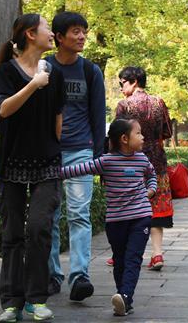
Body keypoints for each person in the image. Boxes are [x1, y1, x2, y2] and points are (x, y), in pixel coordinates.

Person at [0, 14, 66, 322]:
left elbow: (58, 123)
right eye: (48, 28)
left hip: (47, 165)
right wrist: (34, 85)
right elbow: (4, 110)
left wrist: (50, 148)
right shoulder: (7, 72)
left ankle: (36, 299)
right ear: (31, 34)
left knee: (38, 228)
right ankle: (11, 302)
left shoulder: (56, 74)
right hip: (11, 164)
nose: (53, 33)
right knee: (12, 234)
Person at [60, 119, 156, 317]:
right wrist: (53, 173)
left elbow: (152, 174)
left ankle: (125, 296)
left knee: (133, 259)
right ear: (124, 139)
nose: (143, 137)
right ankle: (123, 300)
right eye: (138, 133)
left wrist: (151, 189)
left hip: (141, 217)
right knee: (119, 260)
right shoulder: (106, 161)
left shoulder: (142, 159)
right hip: (116, 221)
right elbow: (79, 169)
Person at [45, 11, 106, 302]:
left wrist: (98, 158)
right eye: (75, 31)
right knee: (50, 215)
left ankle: (80, 276)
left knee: (79, 214)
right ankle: (51, 275)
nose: (82, 36)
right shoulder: (43, 69)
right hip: (49, 153)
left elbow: (97, 115)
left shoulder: (90, 71)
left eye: (84, 31)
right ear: (58, 37)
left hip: (80, 151)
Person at [115, 66, 173, 271]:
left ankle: (121, 253)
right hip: (157, 161)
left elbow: (117, 138)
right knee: (156, 209)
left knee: (128, 208)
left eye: (122, 83)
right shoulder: (159, 102)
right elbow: (167, 132)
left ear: (134, 82)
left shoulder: (124, 106)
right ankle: (157, 254)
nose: (121, 87)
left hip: (131, 163)